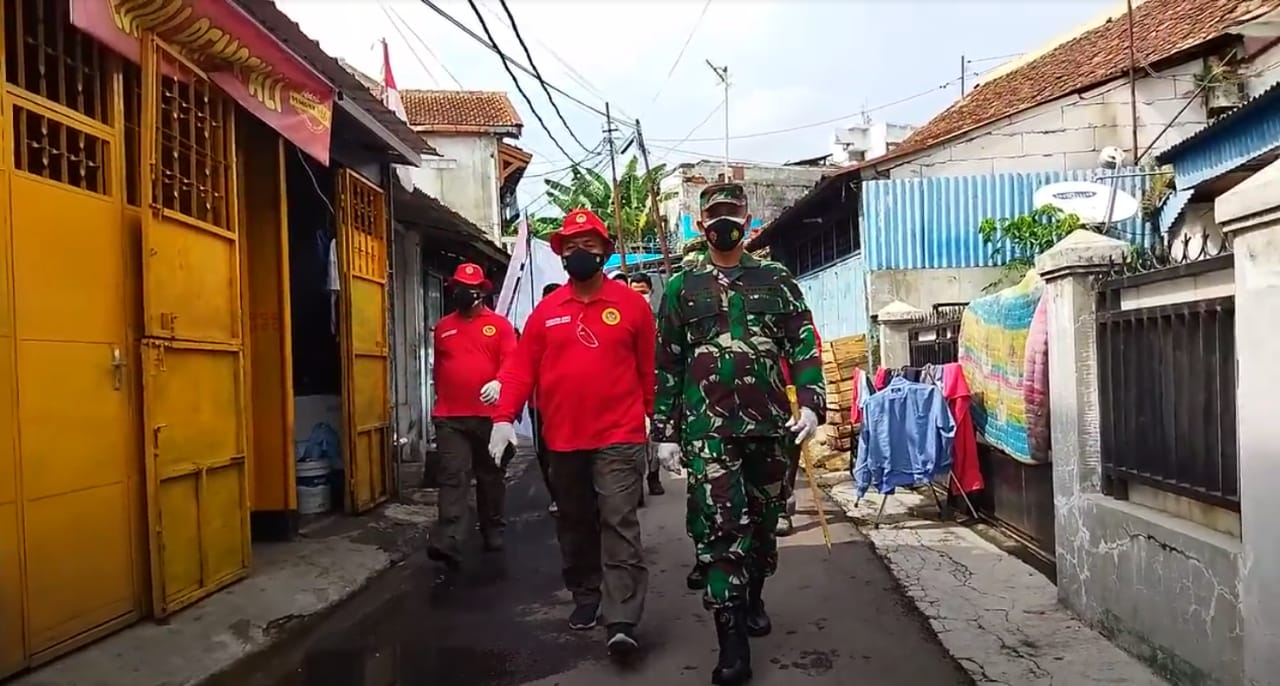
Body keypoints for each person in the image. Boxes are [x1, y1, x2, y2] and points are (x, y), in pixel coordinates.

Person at [652, 182, 823, 685]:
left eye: (732, 214)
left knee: (764, 527)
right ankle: (731, 645)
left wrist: (811, 403)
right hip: (708, 432)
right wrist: (664, 432)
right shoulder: (683, 287)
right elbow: (667, 361)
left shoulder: (776, 279)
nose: (723, 223)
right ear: (701, 224)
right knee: (723, 529)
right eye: (715, 215)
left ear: (747, 222)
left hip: (770, 428)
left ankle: (753, 596)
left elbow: (803, 343)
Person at [489, 209, 656, 659]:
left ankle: (622, 619)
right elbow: (521, 369)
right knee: (575, 521)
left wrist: (653, 419)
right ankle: (586, 592)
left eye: (589, 244)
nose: (580, 252)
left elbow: (648, 369)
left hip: (619, 436)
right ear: (562, 254)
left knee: (619, 521)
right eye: (572, 246)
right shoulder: (546, 312)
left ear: (605, 251)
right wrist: (503, 419)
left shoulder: (632, 306)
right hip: (563, 440)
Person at [427, 263, 517, 569]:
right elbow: (439, 369)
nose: (464, 293)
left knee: (490, 476)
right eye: (459, 287)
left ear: (481, 291)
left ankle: (493, 527)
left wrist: (500, 383)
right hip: (451, 417)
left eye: (470, 288)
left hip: (489, 418)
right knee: (453, 475)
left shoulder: (500, 326)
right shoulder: (443, 327)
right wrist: (440, 402)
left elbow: (512, 363)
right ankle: (449, 539)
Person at [626, 271, 665, 499]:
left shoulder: (660, 319)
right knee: (636, 439)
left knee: (655, 436)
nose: (640, 296)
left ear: (651, 291)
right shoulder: (625, 318)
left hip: (657, 382)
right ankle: (636, 484)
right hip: (633, 386)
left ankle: (654, 476)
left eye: (643, 292)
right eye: (635, 292)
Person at [532, 282, 562, 516]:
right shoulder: (535, 326)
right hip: (540, 403)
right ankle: (556, 495)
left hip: (569, 404)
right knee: (545, 453)